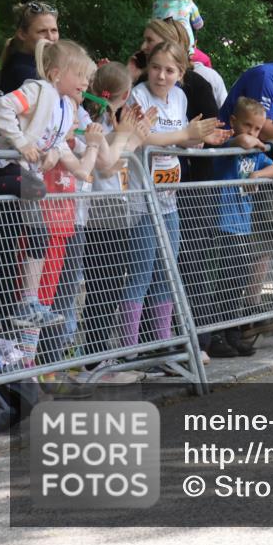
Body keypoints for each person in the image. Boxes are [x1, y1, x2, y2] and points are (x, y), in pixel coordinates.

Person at [120, 40, 229, 351]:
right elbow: (144, 139)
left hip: (169, 201)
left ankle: (163, 345)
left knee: (167, 273)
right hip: (142, 200)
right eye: (155, 68)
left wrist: (199, 140)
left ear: (181, 73)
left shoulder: (180, 97)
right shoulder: (138, 95)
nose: (161, 76)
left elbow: (179, 140)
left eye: (169, 70)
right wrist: (185, 136)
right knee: (141, 272)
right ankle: (131, 349)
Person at [0, 40, 107, 328]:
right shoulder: (37, 90)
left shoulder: (66, 108)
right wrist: (21, 143)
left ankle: (27, 302)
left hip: (25, 182)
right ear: (57, 74)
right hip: (2, 170)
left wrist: (86, 149)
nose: (86, 82)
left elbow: (73, 163)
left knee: (34, 237)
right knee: (36, 192)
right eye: (80, 75)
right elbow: (2, 107)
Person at [79, 63, 155, 362]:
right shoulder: (101, 127)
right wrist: (133, 137)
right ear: (125, 95)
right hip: (104, 215)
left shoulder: (103, 122)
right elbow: (111, 164)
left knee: (105, 289)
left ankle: (97, 353)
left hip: (111, 214)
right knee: (103, 290)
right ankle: (93, 355)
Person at [209, 97, 273, 358]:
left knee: (239, 278)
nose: (253, 132)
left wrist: (257, 175)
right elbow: (244, 141)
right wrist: (259, 142)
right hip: (222, 223)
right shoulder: (231, 144)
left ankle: (232, 332)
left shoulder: (255, 153)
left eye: (258, 128)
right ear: (234, 122)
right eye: (248, 125)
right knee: (227, 279)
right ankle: (216, 334)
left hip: (243, 224)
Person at [0, 1, 60, 97]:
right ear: (22, 34)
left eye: (54, 30)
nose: (50, 37)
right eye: (42, 31)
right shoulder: (26, 75)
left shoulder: (33, 68)